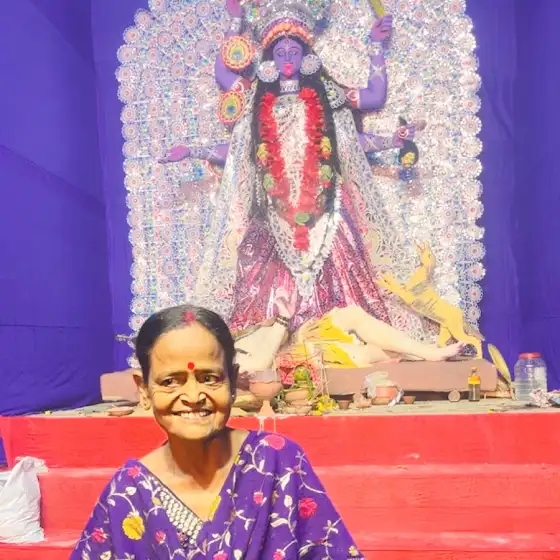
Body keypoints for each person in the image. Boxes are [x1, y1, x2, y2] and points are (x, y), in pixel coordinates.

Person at [161, 0, 428, 345]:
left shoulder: (327, 94)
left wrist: (377, 49)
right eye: (280, 51)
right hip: (273, 209)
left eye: (294, 51)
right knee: (258, 278)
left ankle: (337, 344)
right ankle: (271, 345)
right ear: (270, 58)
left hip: (325, 208)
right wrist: (193, 150)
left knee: (343, 275)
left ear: (306, 55)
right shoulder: (256, 97)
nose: (287, 57)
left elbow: (364, 117)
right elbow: (228, 99)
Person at [71, 305, 363, 559]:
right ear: (144, 390)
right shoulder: (129, 492)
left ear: (233, 381)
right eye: (171, 381)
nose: (193, 396)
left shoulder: (276, 463)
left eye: (209, 378)